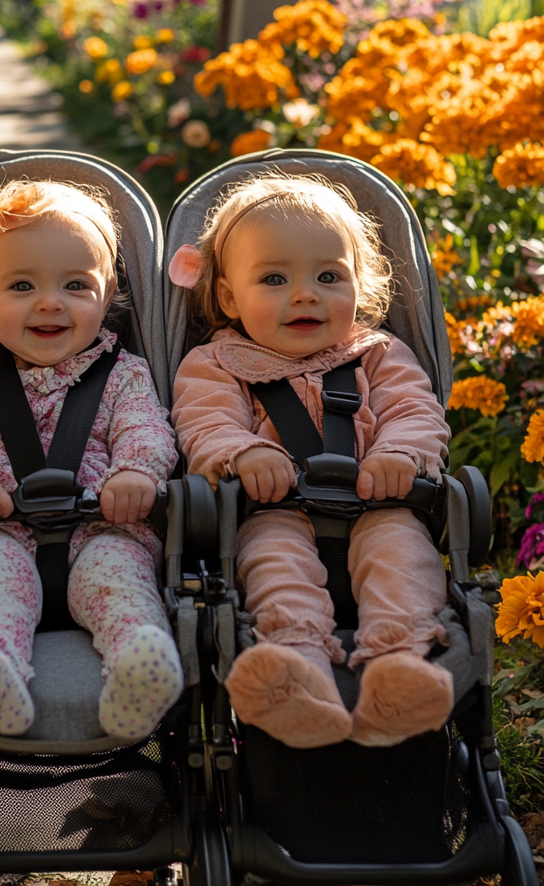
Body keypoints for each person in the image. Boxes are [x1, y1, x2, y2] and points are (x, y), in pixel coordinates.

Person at [169, 174, 453, 749]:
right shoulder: (215, 363)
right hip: (275, 511)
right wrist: (241, 451)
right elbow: (202, 422)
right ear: (227, 298)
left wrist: (401, 451)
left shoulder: (376, 354)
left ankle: (397, 666)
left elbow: (416, 410)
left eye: (329, 277)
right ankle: (296, 667)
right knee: (274, 568)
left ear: (360, 284)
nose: (305, 295)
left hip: (382, 504)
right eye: (274, 279)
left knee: (403, 559)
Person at [0, 180, 182, 740]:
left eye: (76, 285)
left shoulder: (122, 373)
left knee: (118, 582)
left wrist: (136, 471)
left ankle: (140, 663)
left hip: (105, 526)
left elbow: (146, 428)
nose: (50, 302)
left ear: (106, 299)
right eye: (23, 285)